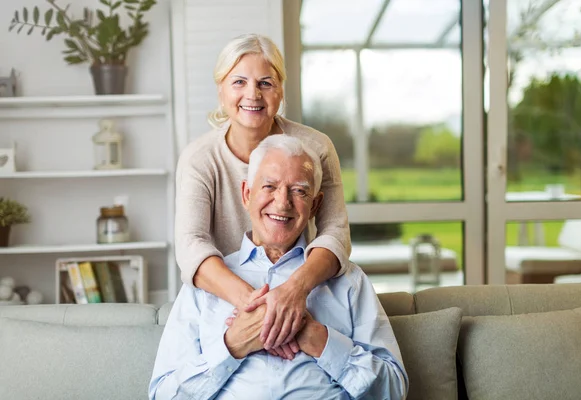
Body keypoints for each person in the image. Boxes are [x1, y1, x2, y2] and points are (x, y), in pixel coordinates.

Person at [150, 135, 408, 399]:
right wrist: (233, 345)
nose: (282, 202)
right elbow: (163, 394)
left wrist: (316, 338)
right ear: (247, 194)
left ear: (315, 205)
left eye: (299, 190)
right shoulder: (207, 283)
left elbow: (393, 389)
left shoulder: (347, 280)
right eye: (269, 186)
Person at [175, 33, 350, 350]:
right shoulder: (199, 159)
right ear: (221, 90)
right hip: (226, 303)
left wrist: (293, 292)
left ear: (281, 90)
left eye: (265, 83)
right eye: (239, 82)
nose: (252, 94)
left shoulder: (316, 148)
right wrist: (259, 307)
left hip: (303, 295)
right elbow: (190, 245)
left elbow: (335, 232)